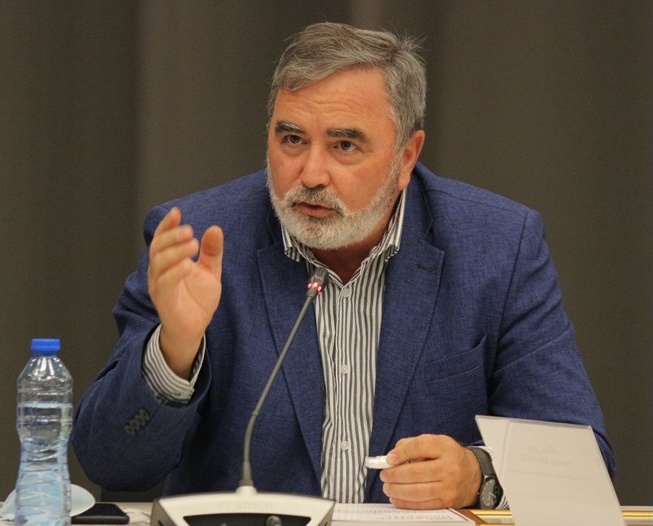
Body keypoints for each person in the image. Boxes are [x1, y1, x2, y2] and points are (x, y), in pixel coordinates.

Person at [72, 22, 615, 510]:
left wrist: (477, 475)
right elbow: (110, 464)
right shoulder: (199, 240)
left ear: (406, 157)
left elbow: (580, 462)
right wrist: (175, 350)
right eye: (291, 139)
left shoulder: (496, 246)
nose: (310, 173)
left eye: (345, 145)